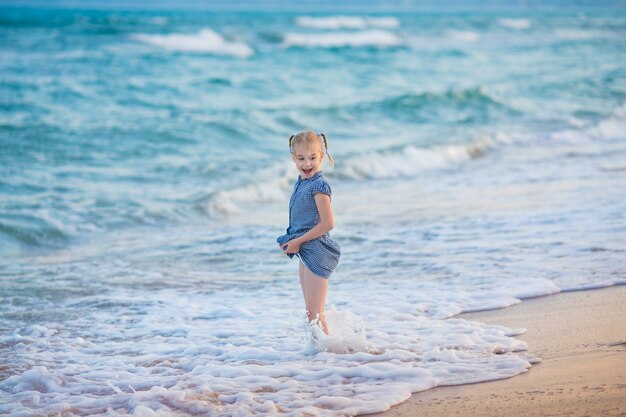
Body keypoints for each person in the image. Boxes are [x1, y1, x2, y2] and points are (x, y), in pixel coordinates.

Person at [277, 131, 341, 335]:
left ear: (321, 156)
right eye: (301, 158)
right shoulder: (302, 182)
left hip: (318, 250)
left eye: (313, 158)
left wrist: (298, 241)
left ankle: (328, 355)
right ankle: (319, 354)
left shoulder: (319, 185)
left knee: (315, 312)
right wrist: (293, 240)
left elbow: (328, 223)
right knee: (310, 312)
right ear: (293, 158)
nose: (307, 164)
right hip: (306, 249)